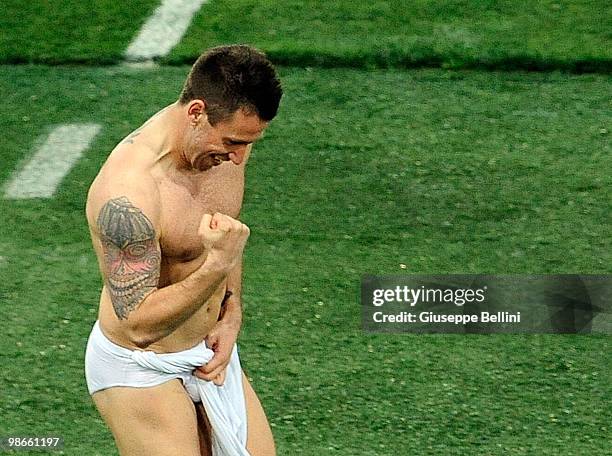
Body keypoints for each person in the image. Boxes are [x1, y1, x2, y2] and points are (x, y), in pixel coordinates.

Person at [84, 45, 282, 456]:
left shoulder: (225, 147)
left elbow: (225, 233)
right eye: (233, 141)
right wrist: (217, 266)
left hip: (207, 352)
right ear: (196, 112)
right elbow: (139, 325)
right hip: (140, 365)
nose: (240, 156)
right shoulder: (128, 194)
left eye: (250, 142)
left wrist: (232, 314)